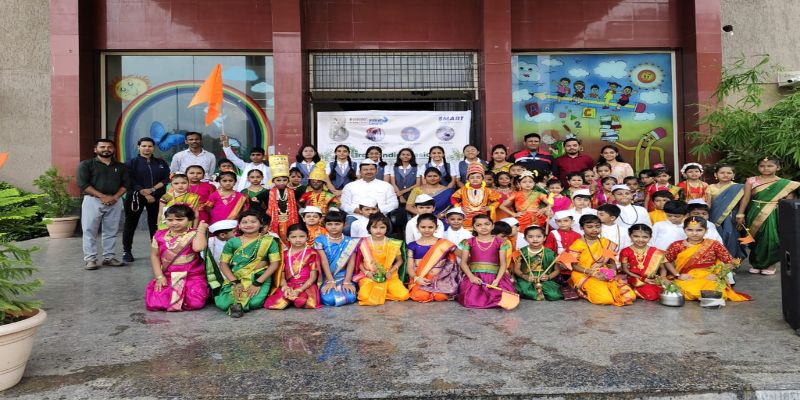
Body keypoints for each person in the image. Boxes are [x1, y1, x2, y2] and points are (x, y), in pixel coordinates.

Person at [663, 217, 751, 302]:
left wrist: (718, 276)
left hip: (708, 278)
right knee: (681, 289)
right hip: (687, 277)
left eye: (699, 230)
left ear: (706, 230)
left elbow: (732, 262)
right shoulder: (677, 245)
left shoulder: (714, 244)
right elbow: (666, 260)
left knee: (713, 289)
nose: (694, 233)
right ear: (684, 230)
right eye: (690, 230)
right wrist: (678, 275)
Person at [736, 157, 800, 274]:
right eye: (762, 166)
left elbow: (789, 201)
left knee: (772, 238)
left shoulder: (785, 184)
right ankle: (756, 263)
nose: (765, 168)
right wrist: (740, 213)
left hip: (773, 212)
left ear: (778, 167)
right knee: (755, 238)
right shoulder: (751, 181)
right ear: (758, 167)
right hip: (754, 211)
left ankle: (770, 265)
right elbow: (746, 198)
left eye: (770, 166)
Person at [215, 210, 282, 317]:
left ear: (261, 224)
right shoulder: (232, 242)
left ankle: (237, 306)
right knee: (223, 304)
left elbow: (274, 264)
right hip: (237, 276)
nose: (248, 224)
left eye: (253, 221)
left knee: (254, 303)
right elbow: (223, 264)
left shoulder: (269, 241)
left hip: (259, 276)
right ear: (239, 226)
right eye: (244, 222)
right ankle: (235, 305)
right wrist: (235, 282)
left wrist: (257, 283)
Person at [77, 138, 130, 270]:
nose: (106, 149)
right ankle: (90, 259)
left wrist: (115, 197)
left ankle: (109, 257)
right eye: (102, 147)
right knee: (89, 230)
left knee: (111, 230)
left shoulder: (121, 166)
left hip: (115, 201)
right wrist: (102, 196)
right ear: (95, 149)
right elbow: (83, 184)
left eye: (109, 147)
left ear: (113, 149)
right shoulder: (86, 164)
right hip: (92, 200)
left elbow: (126, 184)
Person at [145, 205, 210, 311]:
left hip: (192, 276)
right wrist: (159, 276)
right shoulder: (159, 235)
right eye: (170, 220)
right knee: (156, 303)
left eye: (179, 219)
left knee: (195, 303)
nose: (174, 223)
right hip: (168, 276)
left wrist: (201, 230)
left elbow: (198, 248)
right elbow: (154, 255)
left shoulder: (194, 234)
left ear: (190, 219)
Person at [567, 215, 636, 306]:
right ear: (581, 228)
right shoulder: (577, 245)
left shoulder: (605, 242)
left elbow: (611, 261)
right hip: (584, 273)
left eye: (598, 226)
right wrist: (592, 273)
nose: (595, 229)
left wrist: (612, 272)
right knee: (605, 299)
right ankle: (580, 289)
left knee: (630, 296)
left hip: (604, 272)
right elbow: (574, 266)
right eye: (590, 227)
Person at [123, 137, 170, 262]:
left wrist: (153, 189)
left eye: (150, 146)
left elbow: (166, 178)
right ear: (138, 147)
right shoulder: (131, 163)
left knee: (156, 224)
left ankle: (157, 251)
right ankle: (127, 251)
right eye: (144, 146)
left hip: (157, 196)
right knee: (130, 223)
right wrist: (144, 192)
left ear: (153, 148)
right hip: (135, 197)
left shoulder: (161, 163)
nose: (147, 148)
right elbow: (129, 180)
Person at [456, 214, 517, 309]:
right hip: (475, 277)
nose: (483, 227)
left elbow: (503, 264)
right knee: (469, 300)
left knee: (505, 298)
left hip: (495, 277)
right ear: (474, 228)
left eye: (487, 224)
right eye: (479, 225)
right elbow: (463, 263)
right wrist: (471, 277)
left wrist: (497, 280)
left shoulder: (500, 243)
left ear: (492, 226)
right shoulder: (469, 242)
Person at [354, 213, 409, 306]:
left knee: (403, 295)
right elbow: (358, 262)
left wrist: (390, 272)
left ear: (387, 228)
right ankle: (382, 292)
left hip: (389, 275)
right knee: (364, 296)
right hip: (370, 275)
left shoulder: (393, 243)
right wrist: (367, 273)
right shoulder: (363, 242)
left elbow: (400, 260)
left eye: (382, 227)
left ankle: (382, 294)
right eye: (374, 227)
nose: (378, 230)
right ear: (369, 228)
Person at [407, 214, 462, 302]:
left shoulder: (444, 243)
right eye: (423, 227)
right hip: (421, 279)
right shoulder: (412, 245)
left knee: (440, 297)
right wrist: (416, 278)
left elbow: (462, 255)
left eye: (430, 227)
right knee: (421, 296)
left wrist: (468, 248)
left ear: (436, 228)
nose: (427, 230)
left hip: (440, 280)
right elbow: (409, 267)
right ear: (417, 227)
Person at [264, 223, 321, 309]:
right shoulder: (283, 255)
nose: (298, 240)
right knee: (277, 305)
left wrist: (300, 290)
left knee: (305, 303)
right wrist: (285, 287)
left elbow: (313, 277)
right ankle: (290, 298)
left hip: (307, 286)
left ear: (307, 237)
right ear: (287, 238)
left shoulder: (312, 253)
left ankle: (294, 299)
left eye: (301, 236)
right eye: (293, 237)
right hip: (289, 285)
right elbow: (281, 277)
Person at [315, 210, 359, 307]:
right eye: (329, 224)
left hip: (344, 275)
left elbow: (351, 262)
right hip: (327, 276)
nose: (333, 227)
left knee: (350, 296)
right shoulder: (320, 240)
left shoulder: (351, 241)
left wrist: (347, 281)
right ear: (325, 225)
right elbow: (323, 261)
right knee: (329, 298)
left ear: (345, 225)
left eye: (337, 224)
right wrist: (330, 281)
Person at [707, 165, 746, 259]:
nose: (725, 175)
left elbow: (743, 203)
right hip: (714, 216)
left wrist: (741, 215)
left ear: (733, 175)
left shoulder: (739, 187)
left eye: (729, 173)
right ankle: (717, 260)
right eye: (722, 173)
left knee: (731, 236)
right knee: (716, 237)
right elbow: (708, 204)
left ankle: (731, 260)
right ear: (716, 174)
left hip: (732, 217)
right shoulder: (711, 187)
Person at [514, 226, 562, 301]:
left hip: (544, 279)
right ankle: (536, 293)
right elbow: (516, 269)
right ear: (525, 238)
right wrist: (525, 277)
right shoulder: (521, 252)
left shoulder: (550, 253)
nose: (535, 239)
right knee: (528, 292)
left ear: (544, 238)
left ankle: (541, 292)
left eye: (539, 236)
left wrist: (549, 277)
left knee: (554, 295)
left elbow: (557, 270)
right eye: (530, 237)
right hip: (527, 279)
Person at [619, 224, 664, 301]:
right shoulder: (625, 251)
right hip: (635, 279)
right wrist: (643, 279)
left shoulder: (656, 251)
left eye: (645, 237)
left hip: (651, 279)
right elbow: (625, 270)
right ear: (630, 236)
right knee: (651, 294)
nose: (640, 239)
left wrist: (662, 278)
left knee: (668, 289)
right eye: (636, 236)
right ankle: (634, 290)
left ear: (650, 237)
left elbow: (663, 268)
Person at [452, 163, 503, 228]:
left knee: (481, 230)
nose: (475, 179)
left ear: (482, 179)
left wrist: (490, 207)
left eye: (478, 177)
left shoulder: (488, 190)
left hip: (482, 217)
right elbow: (453, 198)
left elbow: (499, 199)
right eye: (472, 178)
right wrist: (459, 207)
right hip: (466, 217)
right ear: (468, 179)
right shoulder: (463, 189)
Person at [264, 155, 300, 244]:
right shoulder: (269, 192)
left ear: (288, 180)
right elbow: (257, 199)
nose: (282, 182)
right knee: (277, 240)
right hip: (275, 220)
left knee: (289, 238)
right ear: (273, 181)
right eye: (278, 180)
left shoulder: (292, 192)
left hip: (289, 220)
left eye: (284, 180)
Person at [204, 219, 237, 296]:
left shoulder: (235, 241)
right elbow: (204, 257)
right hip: (214, 271)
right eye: (233, 232)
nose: (235, 234)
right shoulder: (210, 242)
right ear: (222, 235)